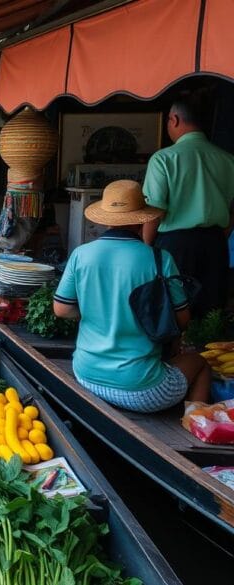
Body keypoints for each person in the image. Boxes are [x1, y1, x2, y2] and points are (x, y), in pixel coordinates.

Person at [54, 180, 210, 412]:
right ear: (142, 219)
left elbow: (62, 309)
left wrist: (98, 314)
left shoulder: (81, 254)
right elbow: (182, 319)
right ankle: (197, 422)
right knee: (201, 363)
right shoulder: (159, 259)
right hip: (143, 392)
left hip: (86, 376)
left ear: (105, 219)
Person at [142, 94, 234, 317]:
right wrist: (219, 235)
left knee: (173, 312)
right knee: (210, 315)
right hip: (215, 244)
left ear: (174, 119)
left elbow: (155, 211)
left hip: (175, 246)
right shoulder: (227, 159)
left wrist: (146, 246)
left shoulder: (163, 159)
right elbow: (232, 209)